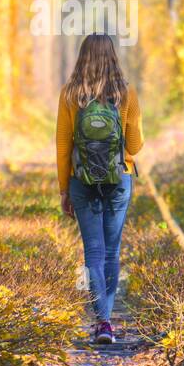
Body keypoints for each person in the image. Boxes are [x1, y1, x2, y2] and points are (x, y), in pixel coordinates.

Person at [55, 33, 143, 344]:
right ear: (113, 58)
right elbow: (135, 145)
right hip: (119, 177)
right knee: (112, 250)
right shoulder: (125, 93)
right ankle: (107, 321)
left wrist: (65, 189)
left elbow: (63, 147)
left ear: (82, 58)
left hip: (82, 181)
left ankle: (103, 322)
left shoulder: (70, 94)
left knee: (93, 250)